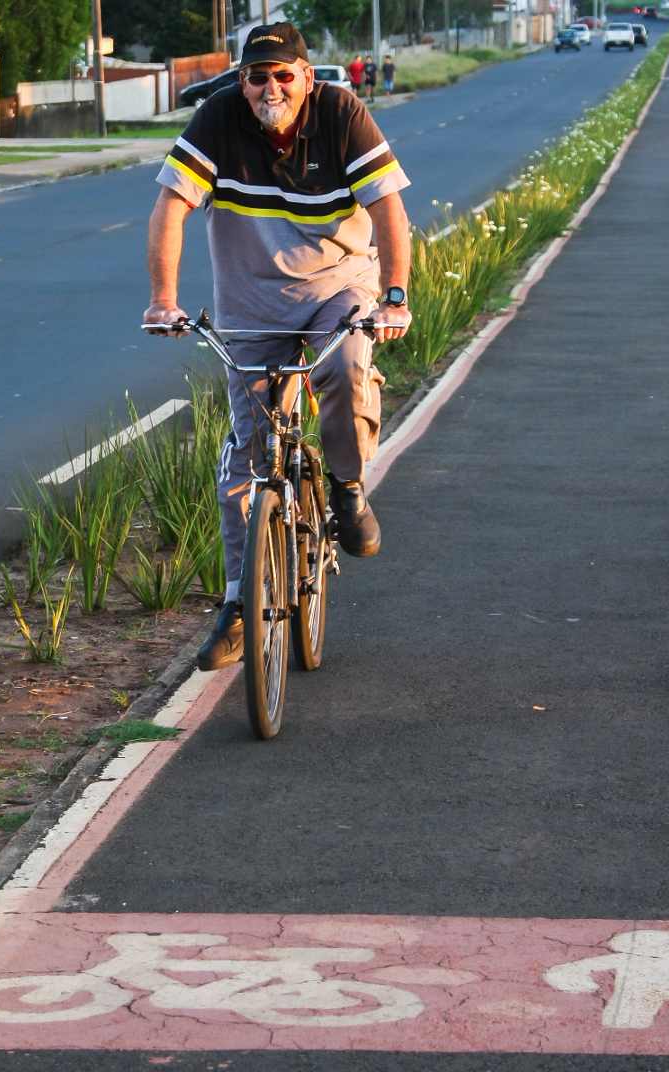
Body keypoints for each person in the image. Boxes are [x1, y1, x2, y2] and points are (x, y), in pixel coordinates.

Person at [144, 23, 412, 671]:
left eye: (283, 75)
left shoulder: (342, 113)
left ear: (306, 76)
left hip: (337, 291)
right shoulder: (220, 118)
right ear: (242, 81)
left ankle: (346, 487)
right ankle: (240, 602)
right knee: (247, 455)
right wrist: (163, 298)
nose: (270, 87)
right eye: (257, 76)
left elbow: (388, 211)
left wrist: (395, 297)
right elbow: (171, 207)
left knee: (348, 370)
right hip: (251, 306)